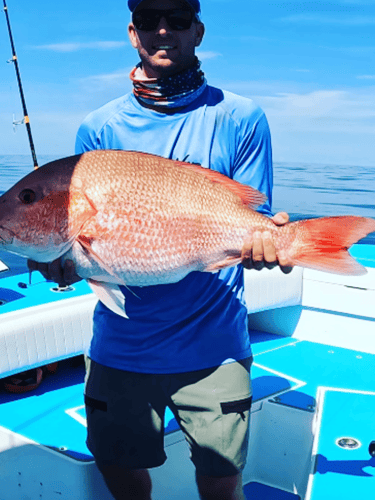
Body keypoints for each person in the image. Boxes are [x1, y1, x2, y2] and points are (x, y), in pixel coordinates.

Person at [29, 1, 292, 499]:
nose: (163, 30)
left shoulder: (240, 117)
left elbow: (254, 215)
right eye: (150, 20)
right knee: (118, 468)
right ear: (133, 33)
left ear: (199, 30)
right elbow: (86, 246)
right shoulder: (98, 128)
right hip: (121, 346)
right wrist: (58, 260)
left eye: (177, 18)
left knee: (221, 477)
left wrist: (268, 242)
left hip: (214, 345)